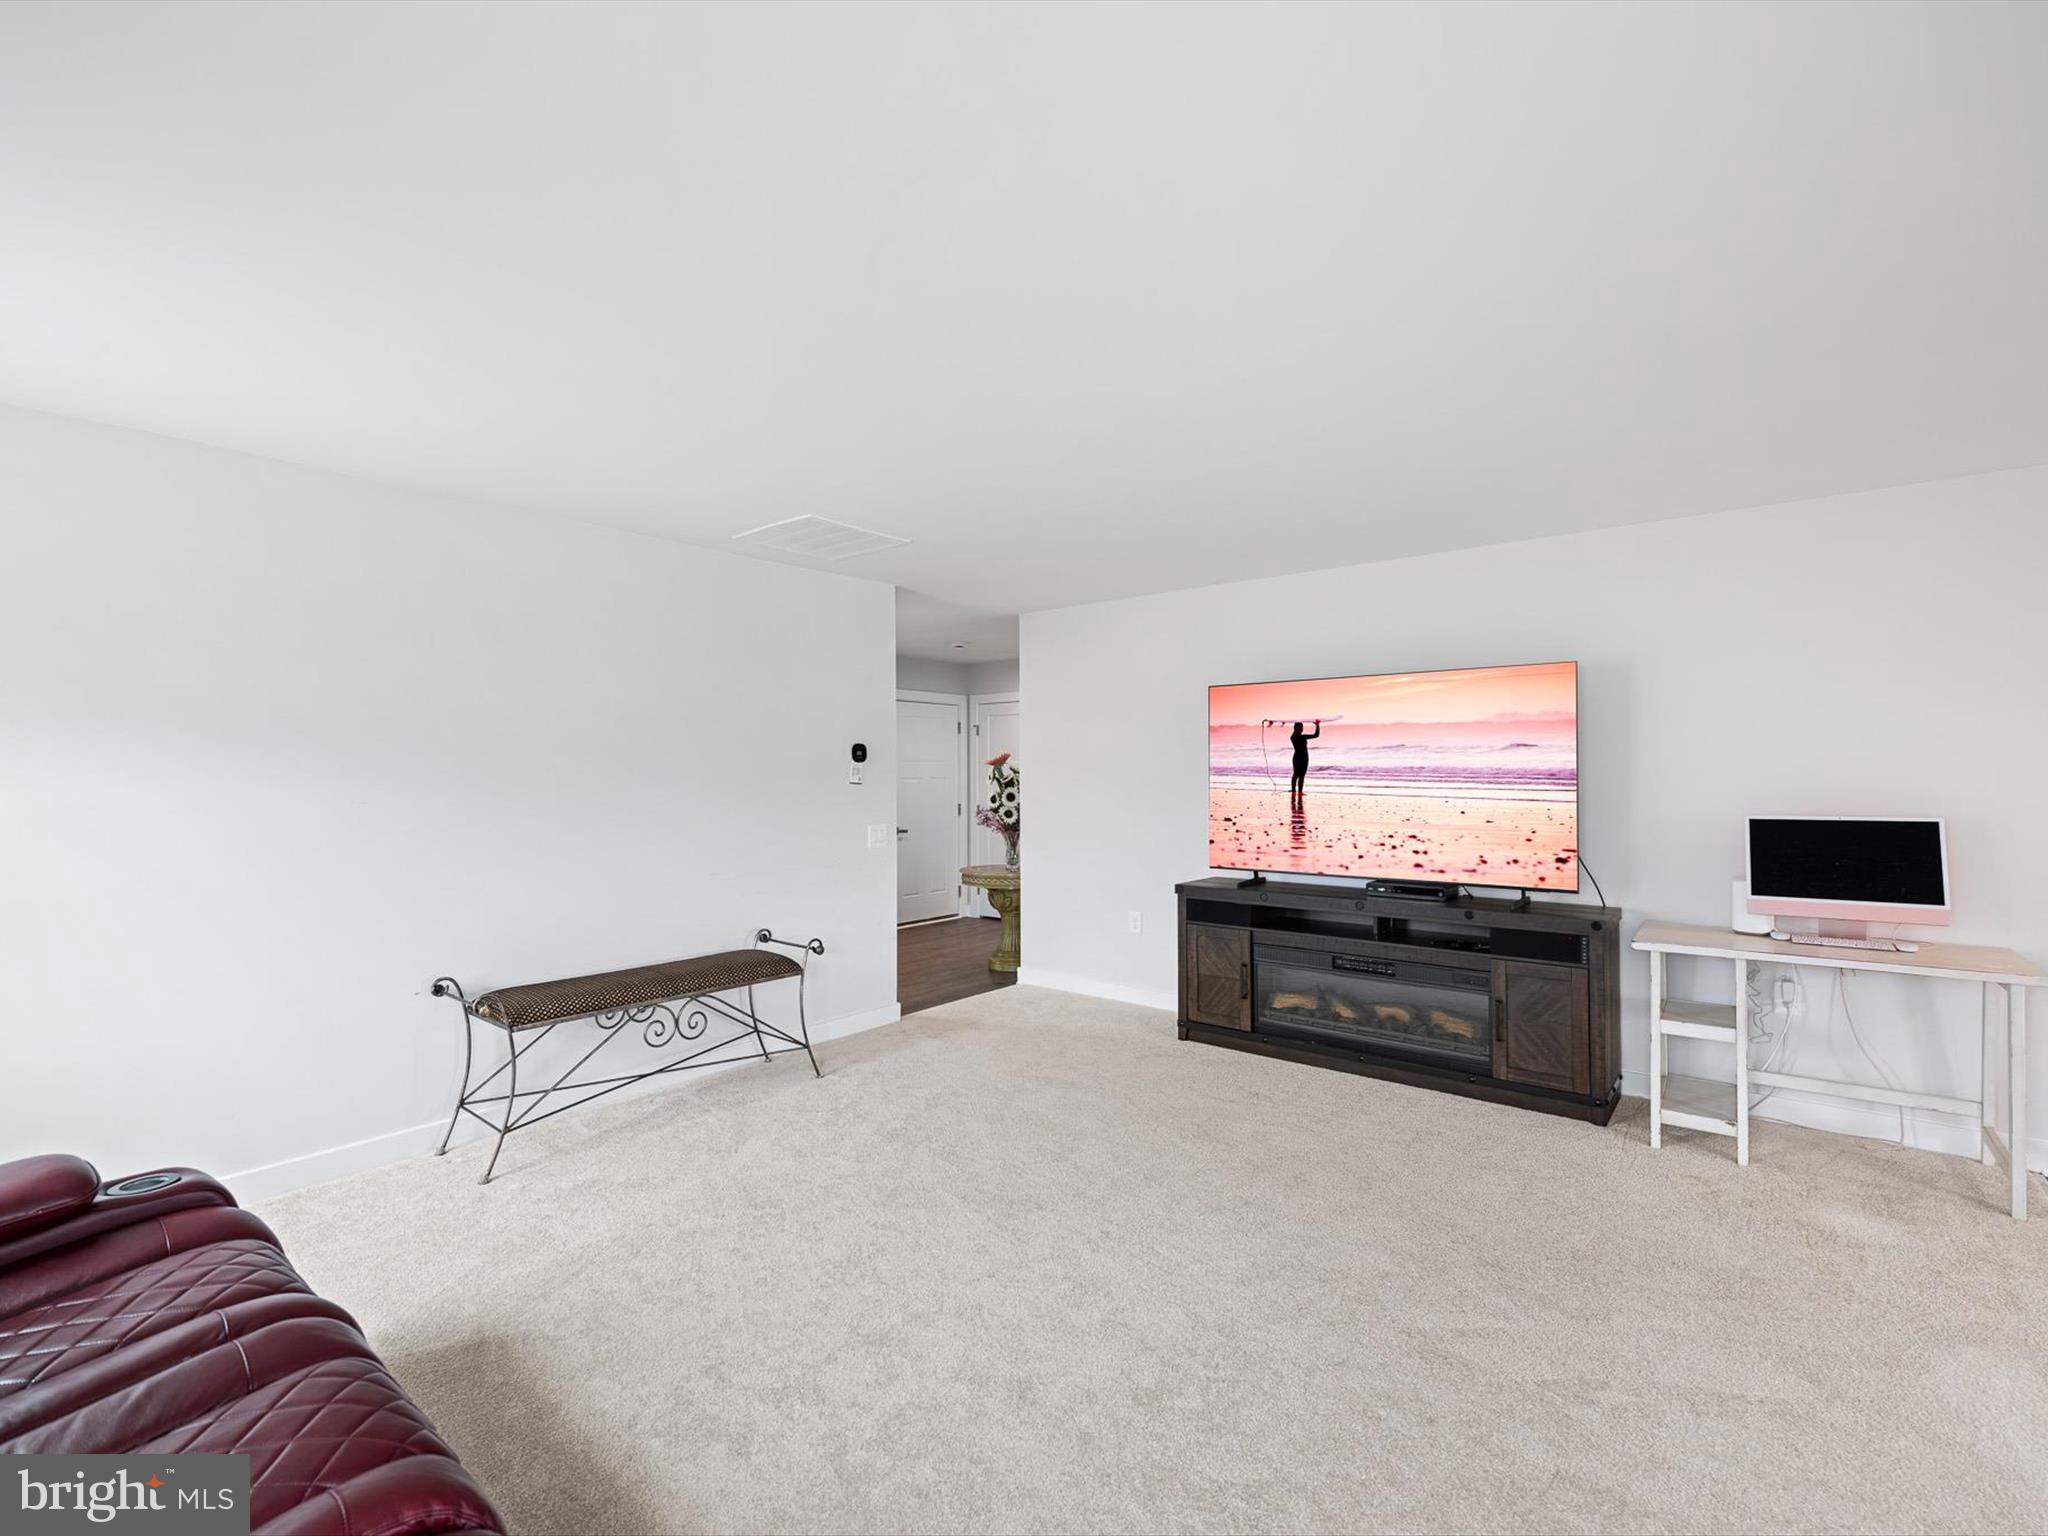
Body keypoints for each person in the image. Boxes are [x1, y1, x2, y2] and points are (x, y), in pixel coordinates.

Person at [1288, 719, 1320, 800]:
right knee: (1301, 775)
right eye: (1302, 727)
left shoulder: (1292, 737)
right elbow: (1316, 735)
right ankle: (1300, 792)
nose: (1303, 729)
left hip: (1296, 757)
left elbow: (1295, 733)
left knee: (1295, 774)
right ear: (1299, 728)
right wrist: (1317, 725)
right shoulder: (1302, 737)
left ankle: (1293, 790)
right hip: (1303, 758)